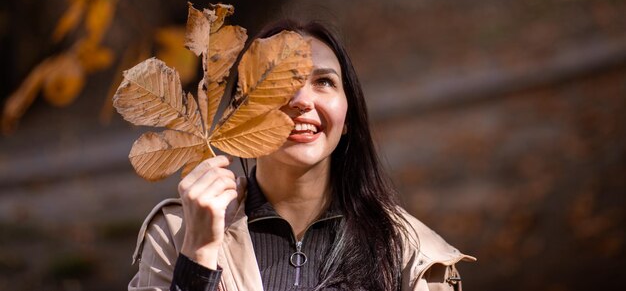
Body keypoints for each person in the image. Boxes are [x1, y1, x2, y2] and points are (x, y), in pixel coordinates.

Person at [128, 19, 475, 291]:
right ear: (242, 111)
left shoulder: (413, 253)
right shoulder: (177, 232)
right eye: (279, 83)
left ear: (348, 116)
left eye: (323, 82)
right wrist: (199, 256)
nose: (302, 101)